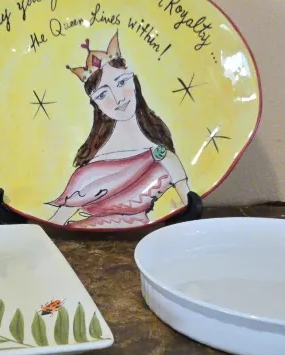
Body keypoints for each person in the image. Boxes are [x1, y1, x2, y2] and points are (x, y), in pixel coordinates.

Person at [47, 33, 190, 229]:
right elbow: (55, 223)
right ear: (96, 104)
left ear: (134, 81)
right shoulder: (90, 170)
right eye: (102, 94)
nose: (118, 98)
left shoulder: (163, 157)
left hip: (149, 237)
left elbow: (187, 202)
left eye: (121, 82)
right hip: (84, 235)